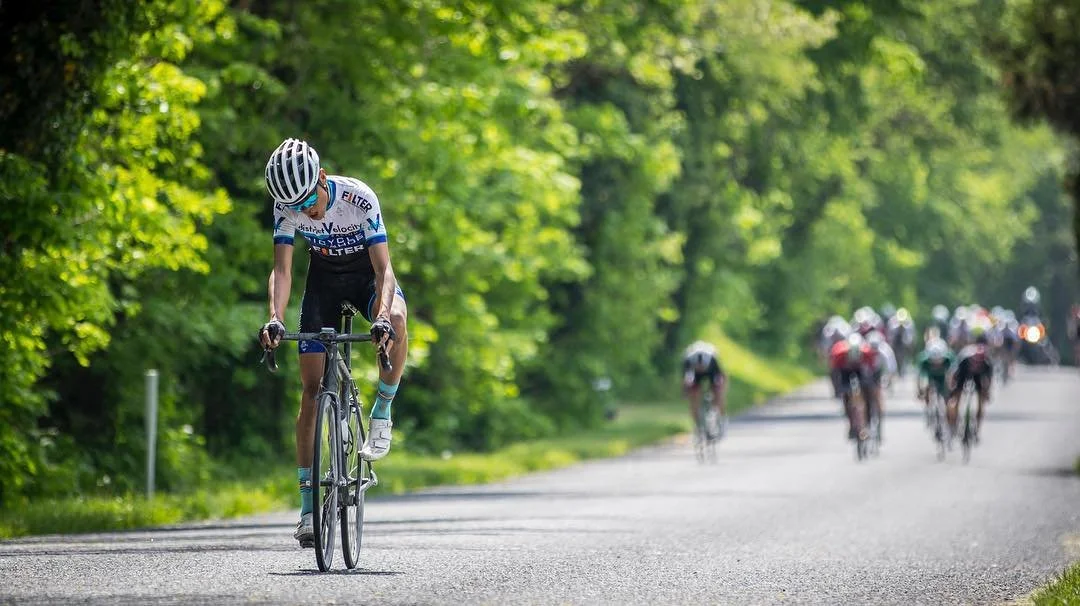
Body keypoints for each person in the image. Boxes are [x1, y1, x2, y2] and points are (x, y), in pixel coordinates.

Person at [257, 138, 409, 546]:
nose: (307, 211)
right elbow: (283, 270)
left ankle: (382, 410)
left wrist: (380, 317)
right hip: (322, 282)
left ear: (321, 179)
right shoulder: (286, 207)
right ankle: (307, 509)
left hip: (366, 278)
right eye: (295, 206)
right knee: (310, 391)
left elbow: (385, 270)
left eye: (309, 199)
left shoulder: (359, 199)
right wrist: (274, 317)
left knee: (396, 316)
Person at [946, 322, 993, 443]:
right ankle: (953, 423)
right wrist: (952, 389)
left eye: (979, 362)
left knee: (981, 401)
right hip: (963, 374)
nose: (976, 364)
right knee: (955, 398)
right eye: (975, 362)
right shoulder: (965, 359)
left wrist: (986, 392)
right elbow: (952, 374)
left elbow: (988, 380)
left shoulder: (987, 363)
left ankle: (977, 428)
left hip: (978, 377)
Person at [829, 333, 879, 441]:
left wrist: (872, 388)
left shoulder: (867, 353)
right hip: (844, 371)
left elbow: (873, 372)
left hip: (861, 371)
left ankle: (868, 419)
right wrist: (836, 390)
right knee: (846, 394)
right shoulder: (839, 353)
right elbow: (834, 374)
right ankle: (851, 422)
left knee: (868, 392)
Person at [682, 341, 728, 439]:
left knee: (718, 392)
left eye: (702, 368)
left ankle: (721, 419)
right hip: (694, 374)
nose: (700, 369)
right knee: (693, 397)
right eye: (698, 368)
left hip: (712, 373)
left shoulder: (712, 361)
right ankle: (698, 425)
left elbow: (721, 377)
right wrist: (686, 392)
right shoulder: (688, 361)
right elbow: (686, 381)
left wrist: (720, 392)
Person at [915, 338, 955, 429]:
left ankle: (950, 421)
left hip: (944, 378)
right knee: (925, 388)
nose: (936, 363)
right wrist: (919, 390)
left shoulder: (949, 359)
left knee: (948, 399)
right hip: (931, 377)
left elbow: (952, 376)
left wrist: (950, 389)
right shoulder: (923, 360)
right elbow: (919, 377)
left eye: (939, 360)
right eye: (933, 360)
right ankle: (928, 408)